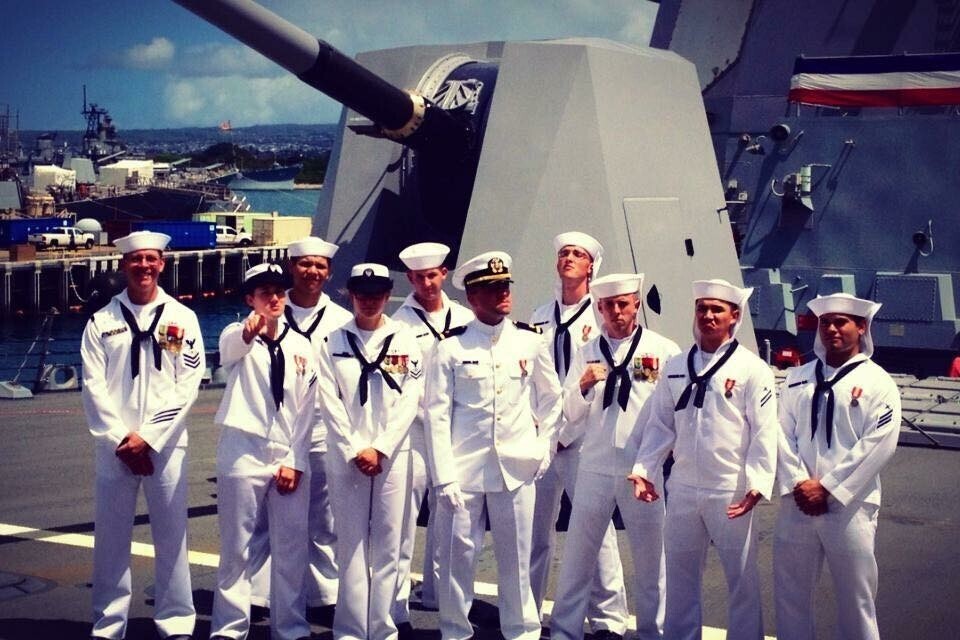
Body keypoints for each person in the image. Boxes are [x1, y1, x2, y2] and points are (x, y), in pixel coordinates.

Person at [630, 279, 778, 640]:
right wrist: (644, 470)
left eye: (717, 310)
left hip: (730, 490)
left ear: (734, 317)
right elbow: (661, 425)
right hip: (682, 487)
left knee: (741, 579)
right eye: (702, 309)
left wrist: (758, 484)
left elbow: (764, 431)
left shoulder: (752, 369)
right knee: (680, 578)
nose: (708, 316)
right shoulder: (677, 366)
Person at [426, 251, 562, 640]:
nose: (502, 293)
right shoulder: (451, 348)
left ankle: (521, 632)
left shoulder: (530, 342)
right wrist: (444, 478)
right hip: (463, 471)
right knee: (458, 559)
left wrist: (543, 448)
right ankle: (455, 630)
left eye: (505, 286)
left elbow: (552, 399)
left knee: (517, 558)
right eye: (491, 288)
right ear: (472, 297)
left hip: (517, 468)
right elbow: (437, 415)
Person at [81, 230, 203, 640]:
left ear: (162, 264)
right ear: (123, 266)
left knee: (172, 536)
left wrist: (148, 437)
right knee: (111, 539)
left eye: (151, 259)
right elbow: (93, 387)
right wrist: (122, 439)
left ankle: (176, 621)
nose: (144, 266)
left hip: (165, 447)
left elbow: (187, 383)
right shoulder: (102, 322)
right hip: (114, 448)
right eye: (136, 260)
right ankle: (108, 623)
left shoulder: (183, 319)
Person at [550, 273, 680, 640]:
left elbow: (668, 417)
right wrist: (583, 385)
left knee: (651, 560)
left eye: (623, 303)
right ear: (599, 309)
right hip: (593, 465)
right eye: (608, 305)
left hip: (641, 469)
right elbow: (569, 411)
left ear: (636, 304)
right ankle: (565, 630)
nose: (616, 311)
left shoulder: (662, 350)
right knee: (578, 555)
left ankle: (654, 632)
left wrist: (652, 466)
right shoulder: (588, 351)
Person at [774, 293, 901, 639]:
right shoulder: (797, 378)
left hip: (850, 506)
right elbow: (780, 435)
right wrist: (800, 483)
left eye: (841, 322)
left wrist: (828, 488)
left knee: (855, 599)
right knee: (791, 594)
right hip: (797, 503)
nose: (831, 329)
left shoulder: (879, 383)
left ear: (861, 327)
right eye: (825, 322)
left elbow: (879, 444)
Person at [528, 232, 628, 637]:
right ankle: (527, 613)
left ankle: (608, 620)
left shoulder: (600, 318)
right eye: (563, 253)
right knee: (534, 533)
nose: (568, 258)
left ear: (591, 267)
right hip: (542, 437)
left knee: (596, 534)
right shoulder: (538, 317)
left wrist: (571, 428)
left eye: (578, 254)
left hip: (584, 439)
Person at [210, 262, 317, 640]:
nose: (274, 298)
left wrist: (296, 459)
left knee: (290, 548)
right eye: (264, 292)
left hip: (286, 452)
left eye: (279, 291)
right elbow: (230, 350)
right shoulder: (236, 334)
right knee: (236, 548)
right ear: (250, 299)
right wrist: (248, 332)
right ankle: (229, 627)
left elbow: (307, 410)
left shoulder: (302, 345)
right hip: (243, 451)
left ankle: (289, 627)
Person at [318, 263, 424, 640]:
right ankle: (349, 630)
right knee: (350, 543)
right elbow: (328, 400)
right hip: (346, 455)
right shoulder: (331, 341)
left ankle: (382, 629)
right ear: (350, 294)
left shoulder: (405, 339)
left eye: (377, 293)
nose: (369, 300)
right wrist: (353, 448)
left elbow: (410, 398)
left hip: (392, 455)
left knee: (388, 545)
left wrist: (380, 447)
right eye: (361, 293)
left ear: (387, 295)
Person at [247, 237, 353, 611]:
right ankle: (258, 593)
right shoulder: (268, 310)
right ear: (293, 268)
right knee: (263, 516)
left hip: (322, 429)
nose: (312, 272)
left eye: (320, 266)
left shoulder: (342, 321)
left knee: (322, 517)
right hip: (272, 429)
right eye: (305, 264)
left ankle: (323, 593)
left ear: (328, 273)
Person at [391, 242, 475, 633]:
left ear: (444, 274)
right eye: (419, 277)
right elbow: (398, 381)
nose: (427, 282)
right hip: (414, 432)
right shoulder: (399, 323)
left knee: (451, 516)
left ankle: (442, 594)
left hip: (455, 431)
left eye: (433, 275)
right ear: (410, 279)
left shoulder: (464, 315)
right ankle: (395, 608)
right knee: (405, 520)